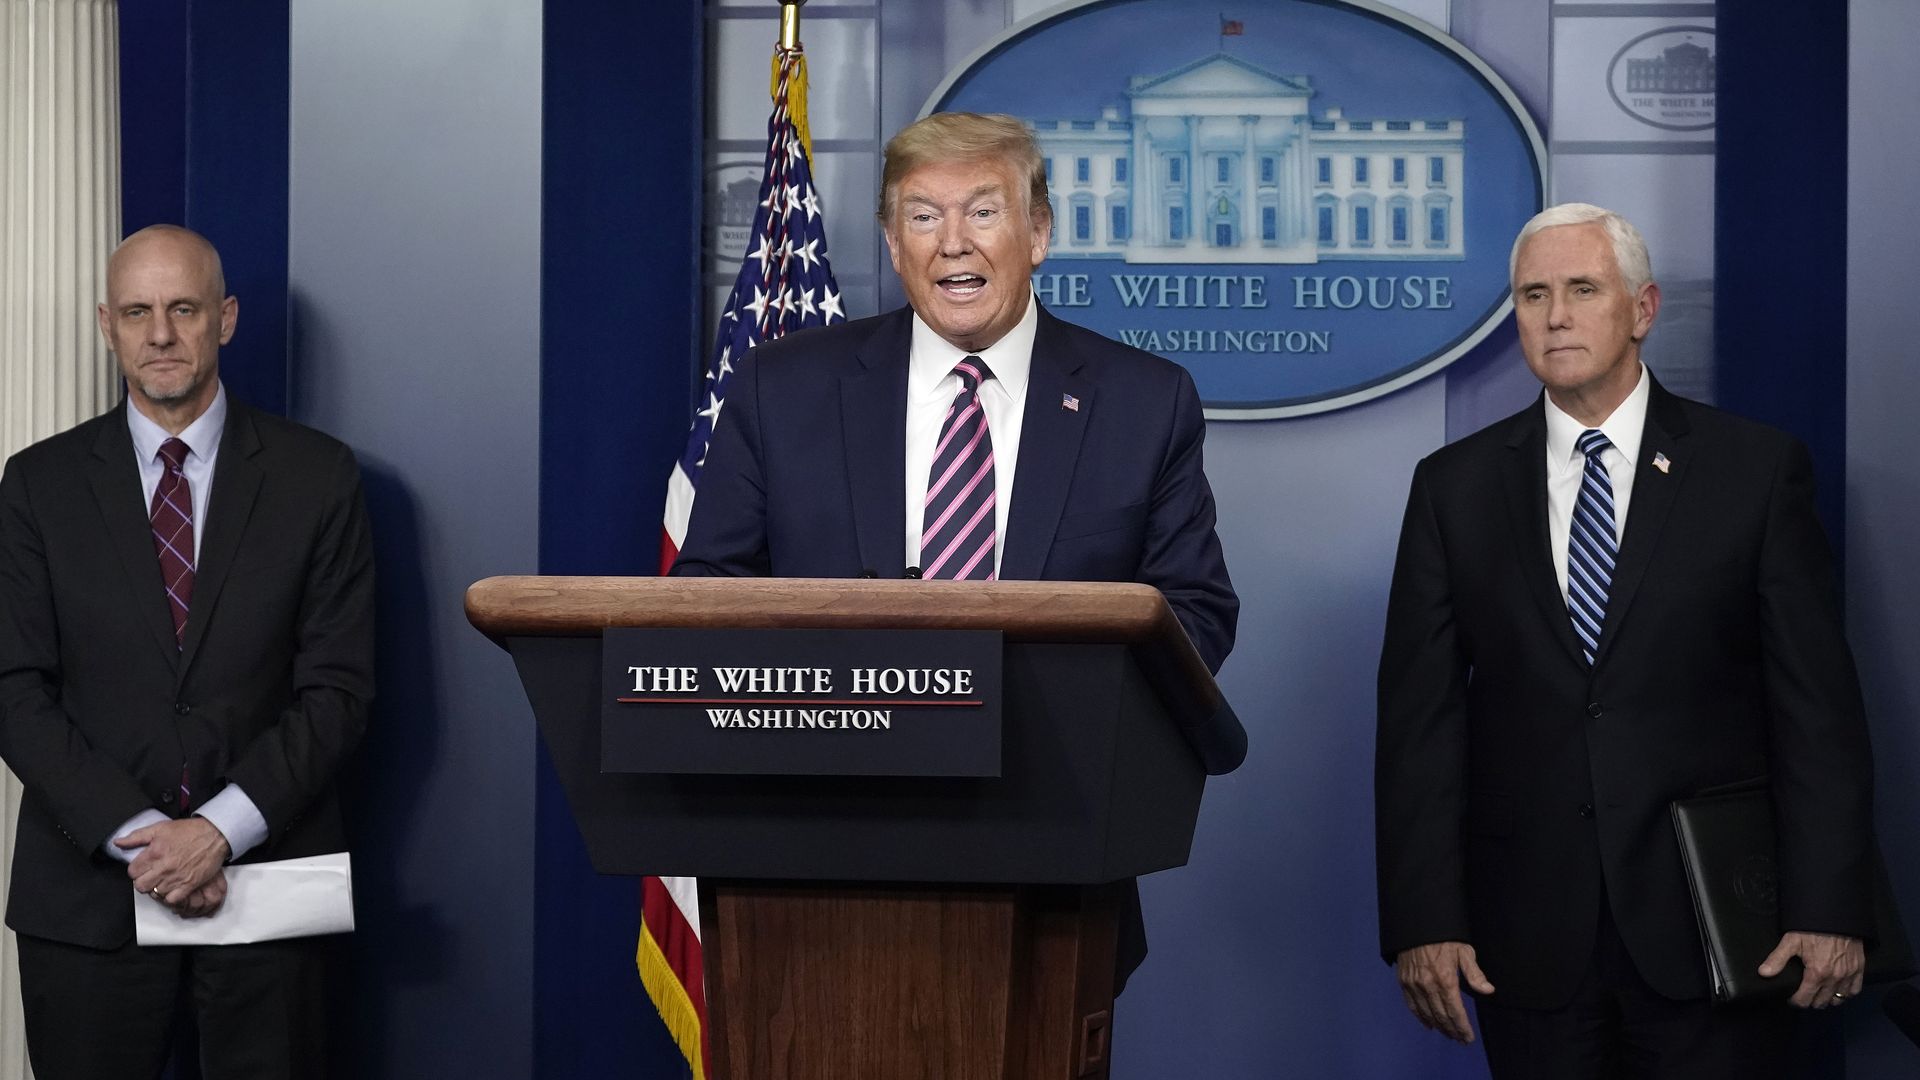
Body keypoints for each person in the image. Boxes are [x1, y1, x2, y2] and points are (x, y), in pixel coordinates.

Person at [673, 111, 1238, 983]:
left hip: (1054, 857)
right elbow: (707, 595)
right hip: (811, 859)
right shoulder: (782, 389)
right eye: (923, 217)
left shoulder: (1143, 402)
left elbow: (1193, 614)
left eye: (982, 212)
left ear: (1039, 232)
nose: (951, 244)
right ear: (893, 243)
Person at [1374, 203, 1875, 1077]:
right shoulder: (1452, 488)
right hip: (1526, 940)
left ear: (1641, 310)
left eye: (1581, 289)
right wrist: (1424, 922)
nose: (1556, 314)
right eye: (1534, 294)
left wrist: (1831, 903)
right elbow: (1419, 722)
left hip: (1717, 933)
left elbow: (1816, 710)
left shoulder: (1753, 471)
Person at [0, 224, 375, 1076]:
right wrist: (145, 840)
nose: (160, 334)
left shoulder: (319, 478)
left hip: (268, 901)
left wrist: (216, 832)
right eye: (137, 312)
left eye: (183, 309)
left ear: (227, 318)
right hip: (88, 908)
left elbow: (339, 692)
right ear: (107, 325)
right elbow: (14, 689)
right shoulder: (37, 485)